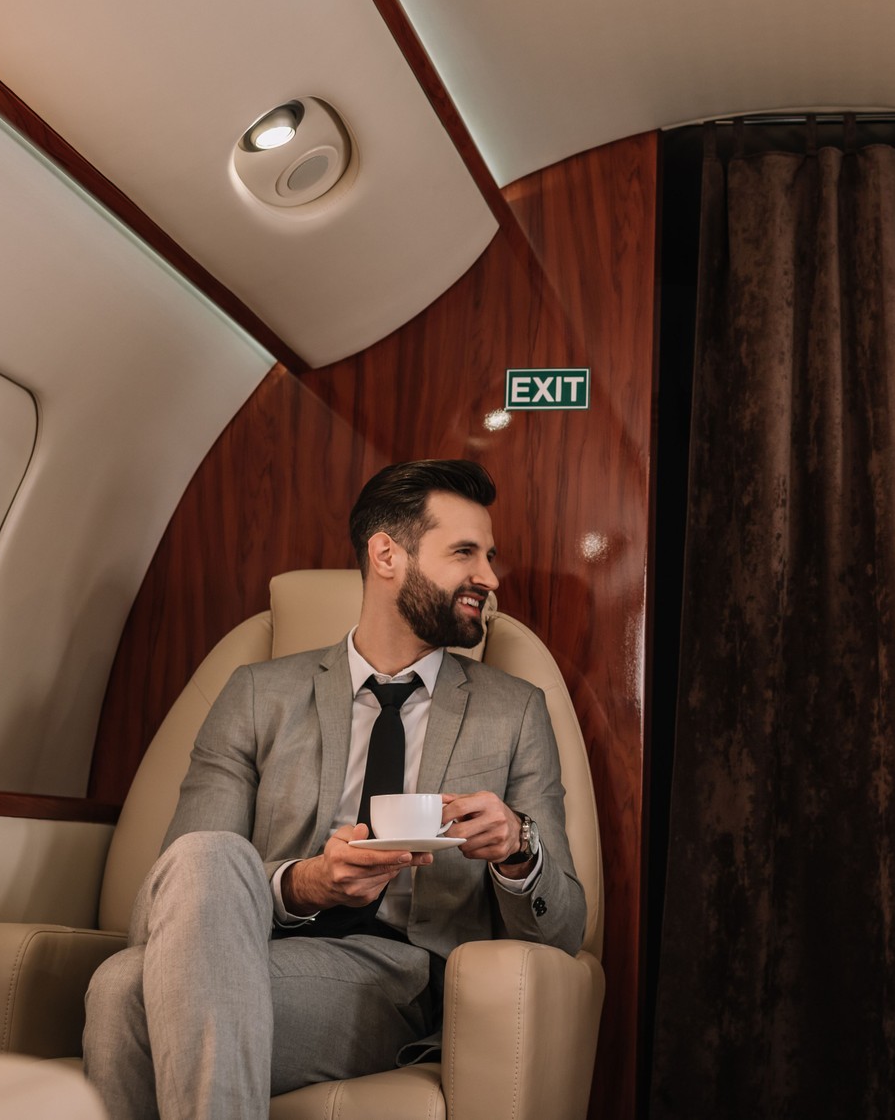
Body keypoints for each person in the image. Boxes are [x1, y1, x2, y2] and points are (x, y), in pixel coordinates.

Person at [84, 459, 585, 1120]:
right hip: (256, 947)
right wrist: (304, 883)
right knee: (180, 895)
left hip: (399, 980)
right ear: (386, 555)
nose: (489, 579)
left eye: (490, 556)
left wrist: (520, 850)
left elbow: (566, 932)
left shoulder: (515, 711)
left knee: (126, 990)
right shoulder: (258, 695)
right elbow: (168, 898)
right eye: (465, 552)